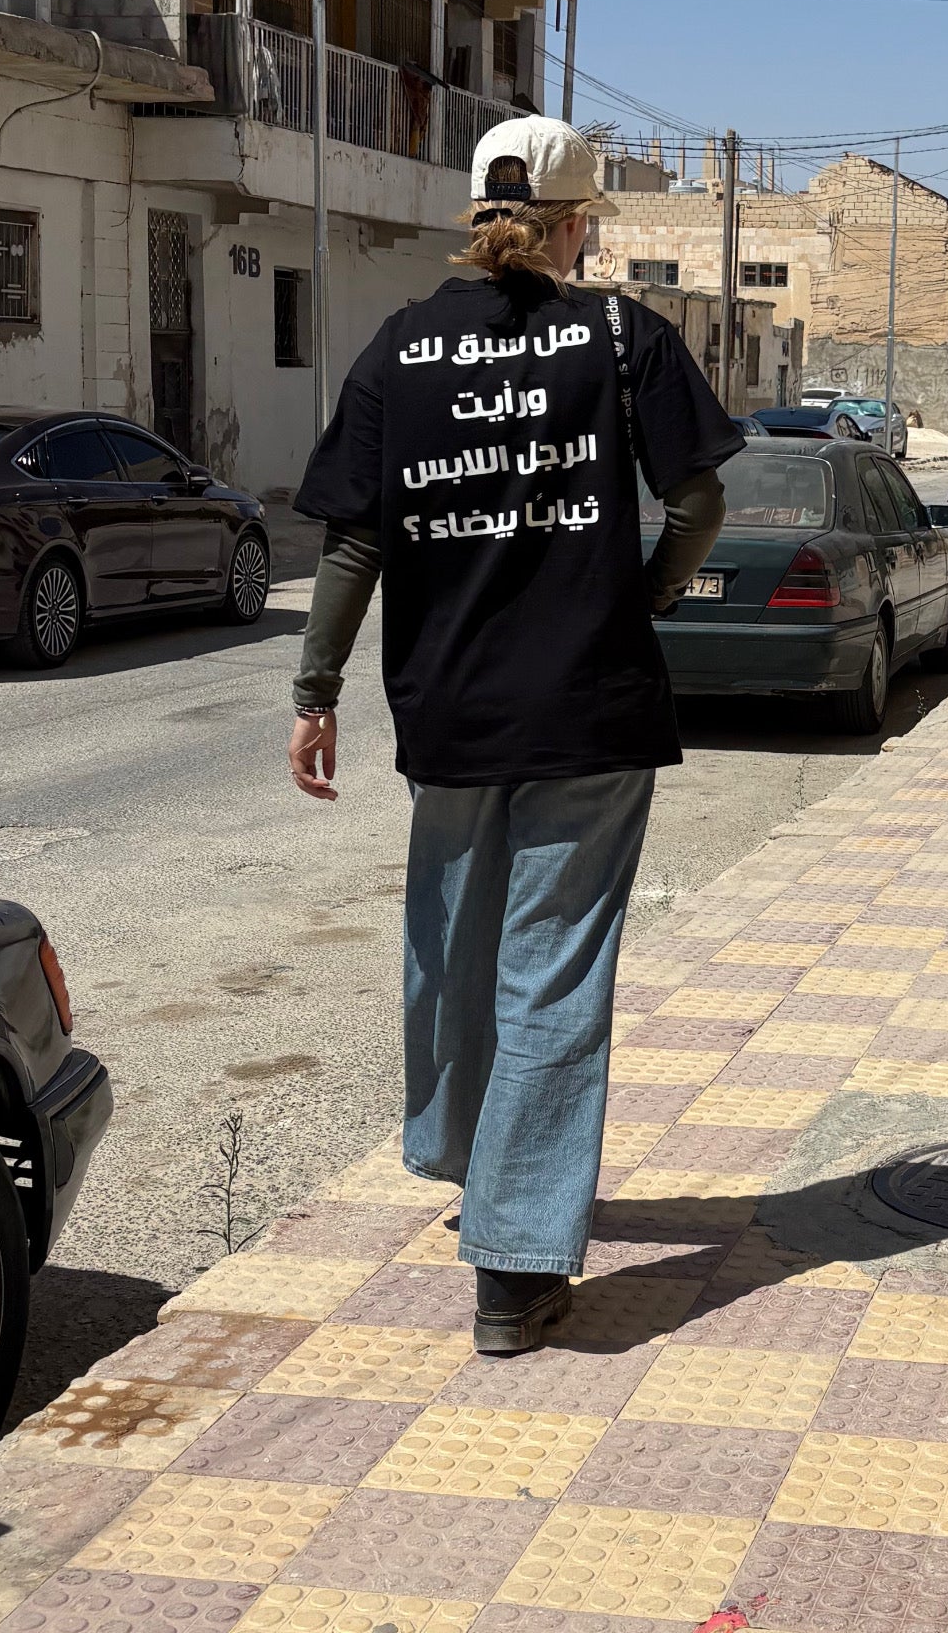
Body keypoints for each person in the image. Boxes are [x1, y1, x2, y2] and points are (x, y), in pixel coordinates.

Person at [287, 117, 742, 1354]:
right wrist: (648, 590)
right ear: (576, 222)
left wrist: (315, 690)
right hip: (590, 701)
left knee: (453, 944)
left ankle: (472, 1167)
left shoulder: (397, 345)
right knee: (551, 970)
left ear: (474, 214)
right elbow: (699, 496)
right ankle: (516, 1263)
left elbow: (356, 540)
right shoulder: (618, 334)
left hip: (450, 705)